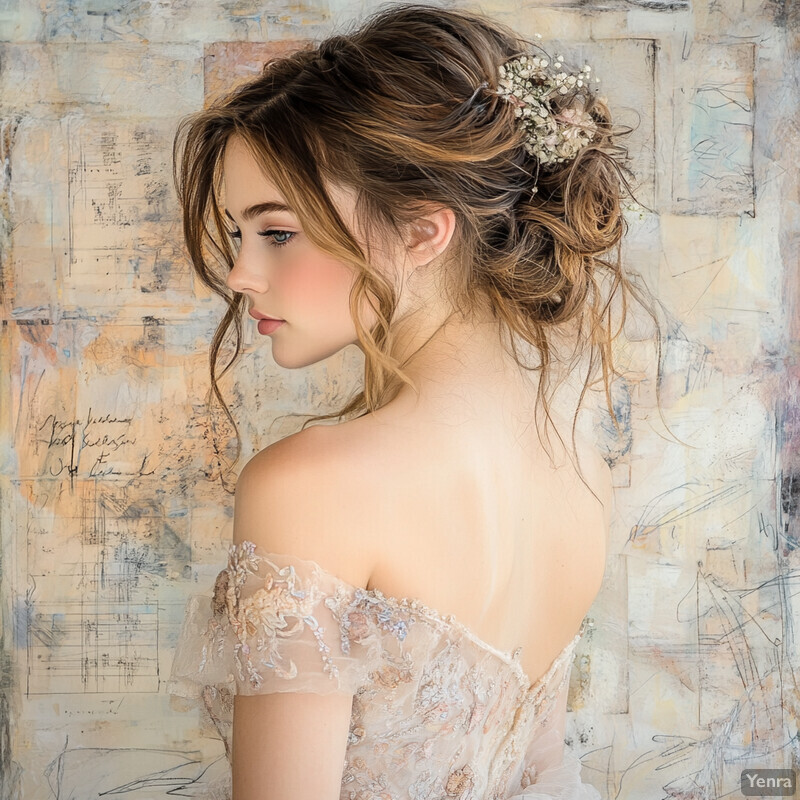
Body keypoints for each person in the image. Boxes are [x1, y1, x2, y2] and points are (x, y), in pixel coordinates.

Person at [167, 4, 662, 798]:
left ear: (423, 232)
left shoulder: (311, 486)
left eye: (278, 233)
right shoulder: (577, 469)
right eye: (236, 235)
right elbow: (541, 777)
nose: (238, 276)